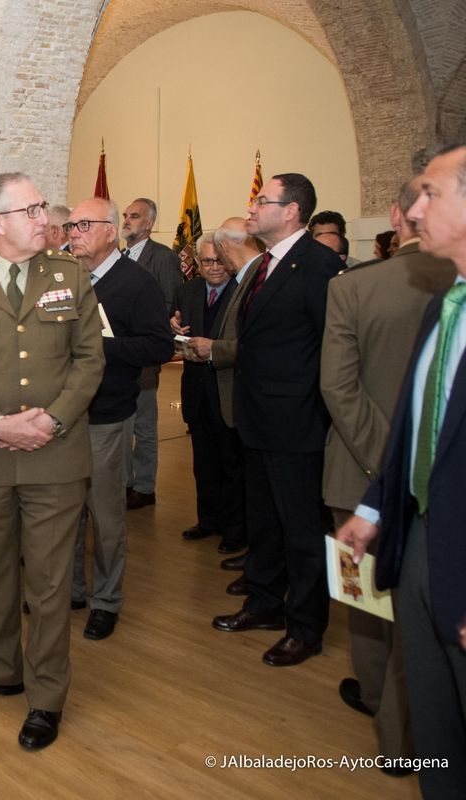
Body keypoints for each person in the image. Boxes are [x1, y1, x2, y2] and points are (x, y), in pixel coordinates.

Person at [0, 172, 103, 751]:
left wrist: (50, 420)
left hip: (55, 456)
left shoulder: (72, 275)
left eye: (41, 209)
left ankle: (47, 696)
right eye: (30, 210)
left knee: (52, 584)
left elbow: (89, 362)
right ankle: (1, 669)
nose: (44, 219)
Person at [337, 142, 466, 797]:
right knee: (439, 734)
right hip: (417, 541)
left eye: (431, 195)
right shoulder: (443, 306)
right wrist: (373, 509)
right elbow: (419, 426)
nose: (412, 211)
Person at [212, 173, 342, 668]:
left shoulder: (318, 265)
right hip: (258, 416)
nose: (252, 207)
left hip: (296, 420)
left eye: (261, 201)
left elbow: (331, 346)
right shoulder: (266, 263)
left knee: (302, 530)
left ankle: (306, 626)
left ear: (290, 211)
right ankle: (264, 604)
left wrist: (318, 414)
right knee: (264, 521)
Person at [69, 198, 174, 640]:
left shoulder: (137, 283)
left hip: (108, 416)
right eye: (71, 225)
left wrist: (99, 347)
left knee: (106, 515)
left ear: (111, 231)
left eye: (83, 225)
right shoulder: (63, 277)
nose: (73, 232)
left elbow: (159, 346)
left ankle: (106, 600)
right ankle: (70, 590)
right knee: (63, 511)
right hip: (62, 416)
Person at [174, 234, 242, 559]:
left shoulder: (242, 291)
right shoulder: (187, 291)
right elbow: (178, 333)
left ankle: (234, 529)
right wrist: (171, 325)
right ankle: (208, 520)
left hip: (228, 389)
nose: (213, 268)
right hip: (196, 389)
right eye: (206, 262)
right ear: (197, 264)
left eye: (218, 261)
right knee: (203, 462)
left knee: (232, 464)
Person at [120, 198, 183, 509]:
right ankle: (126, 481)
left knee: (144, 425)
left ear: (149, 224)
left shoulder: (163, 258)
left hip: (144, 354)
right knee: (123, 423)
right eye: (125, 216)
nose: (126, 221)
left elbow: (171, 303)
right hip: (118, 355)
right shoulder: (119, 257)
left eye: (134, 217)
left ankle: (145, 486)